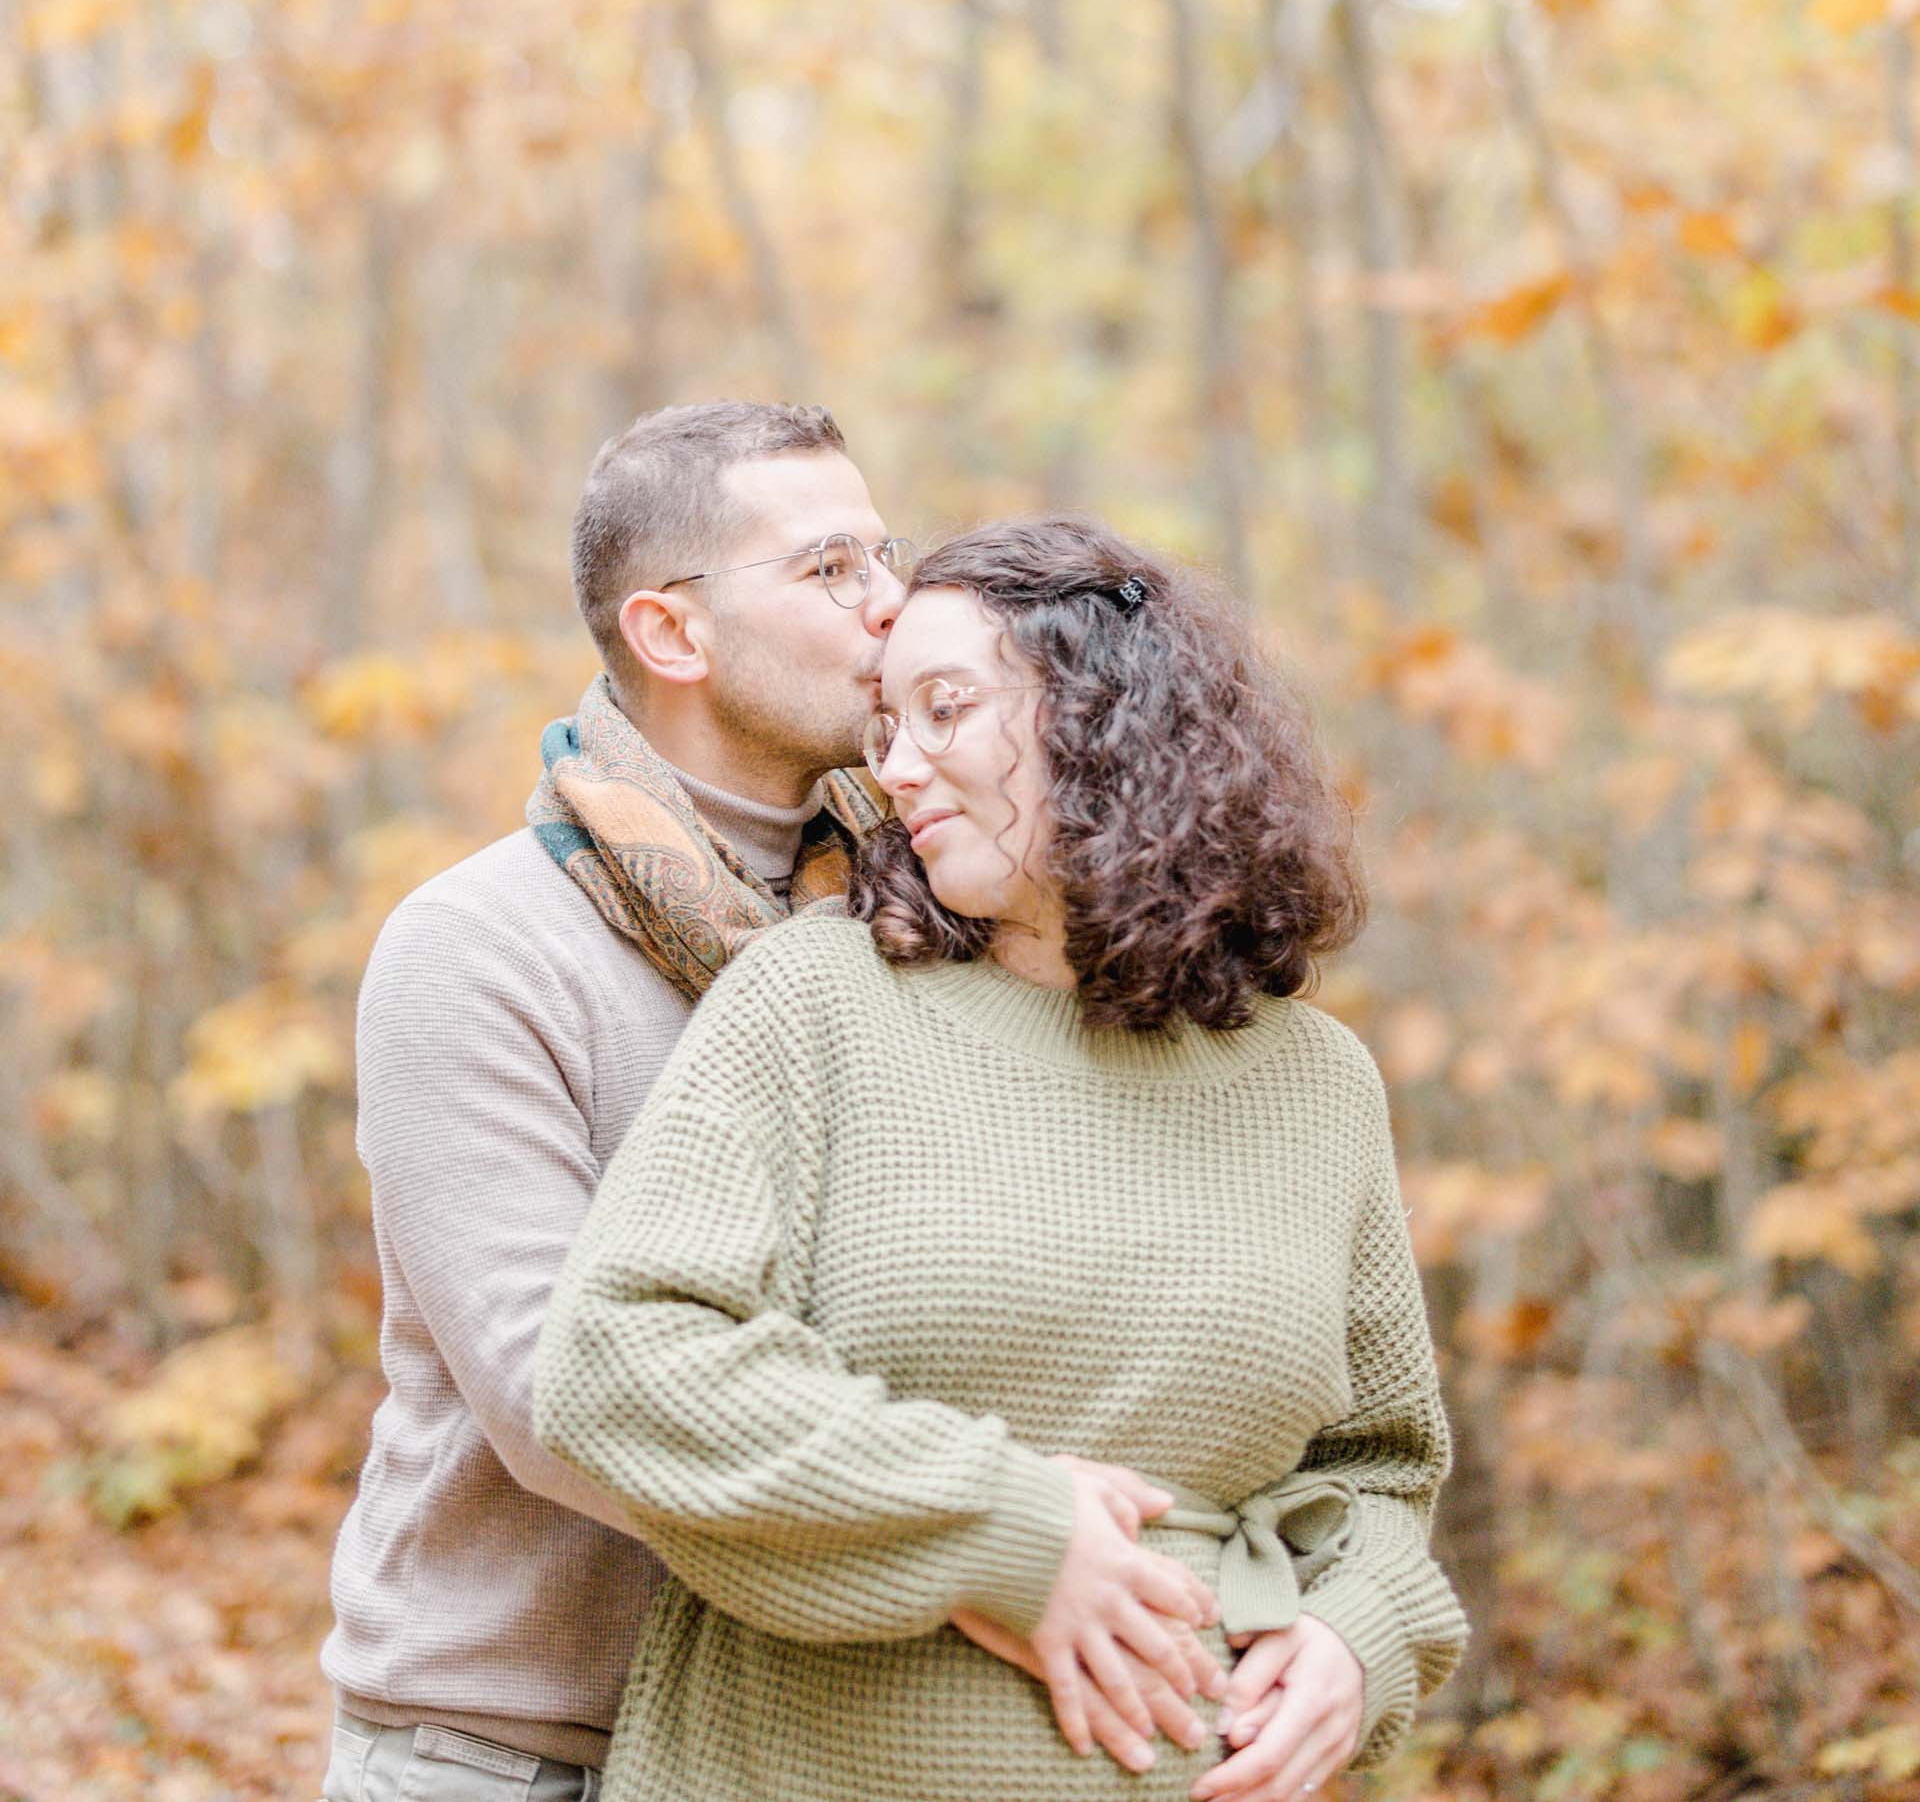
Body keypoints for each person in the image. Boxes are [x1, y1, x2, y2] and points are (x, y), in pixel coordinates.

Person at [320, 408, 1209, 1802]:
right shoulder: (480, 948)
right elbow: (560, 1397)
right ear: (673, 634)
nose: (892, 603)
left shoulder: (936, 903)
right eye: (830, 568)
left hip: (844, 1736)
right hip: (520, 1745)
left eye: (886, 554)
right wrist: (983, 1531)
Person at [535, 515, 1470, 1802]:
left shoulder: (1317, 1082)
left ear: (1108, 718)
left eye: (946, 709)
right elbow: (621, 1357)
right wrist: (1006, 1528)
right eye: (885, 724)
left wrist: (1362, 1633)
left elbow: (1380, 1466)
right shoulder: (817, 1002)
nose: (896, 768)